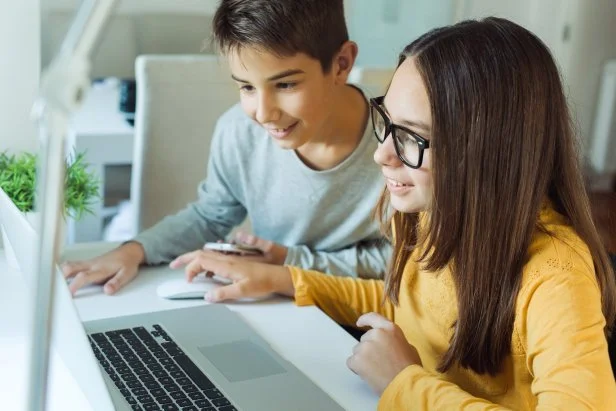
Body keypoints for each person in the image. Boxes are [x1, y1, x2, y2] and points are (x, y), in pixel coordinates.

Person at [170, 17, 616, 409]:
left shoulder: (556, 276)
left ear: (487, 154)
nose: (382, 154)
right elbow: (406, 306)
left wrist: (403, 382)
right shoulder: (436, 212)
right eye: (387, 122)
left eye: (412, 138)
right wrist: (284, 278)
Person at [62, 0, 391, 295]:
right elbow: (210, 217)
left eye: (286, 84)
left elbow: (409, 261)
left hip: (360, 318)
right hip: (275, 302)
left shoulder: (403, 141)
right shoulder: (238, 131)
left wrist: (290, 261)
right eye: (247, 87)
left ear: (341, 64)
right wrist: (133, 251)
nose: (263, 114)